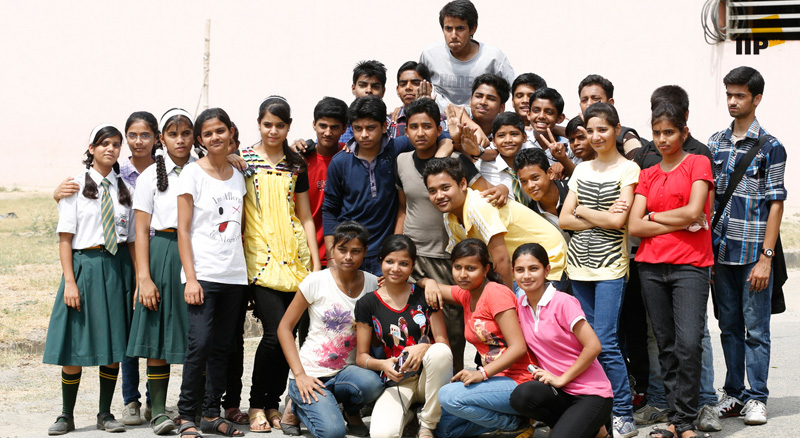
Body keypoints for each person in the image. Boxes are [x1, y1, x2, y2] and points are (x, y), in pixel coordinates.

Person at [395, 98, 506, 372]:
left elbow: (486, 192)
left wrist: (504, 189)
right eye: (413, 127)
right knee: (415, 325)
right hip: (415, 256)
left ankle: (454, 383)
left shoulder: (456, 161)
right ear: (406, 131)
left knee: (454, 330)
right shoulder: (401, 161)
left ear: (438, 129)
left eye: (427, 126)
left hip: (449, 258)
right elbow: (403, 209)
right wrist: (396, 251)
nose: (420, 132)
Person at [631, 86, 719, 433]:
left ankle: (684, 418)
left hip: (690, 265)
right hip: (651, 267)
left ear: (684, 131)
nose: (662, 139)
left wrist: (654, 216)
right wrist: (677, 221)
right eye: (656, 133)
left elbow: (695, 211)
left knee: (689, 344)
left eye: (669, 132)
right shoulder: (648, 173)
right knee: (666, 347)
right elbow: (634, 225)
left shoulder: (698, 162)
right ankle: (676, 420)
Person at [44, 124, 136, 435]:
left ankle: (105, 413)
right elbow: (65, 239)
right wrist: (70, 282)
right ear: (92, 148)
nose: (110, 149)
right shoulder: (74, 186)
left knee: (113, 345)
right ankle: (66, 415)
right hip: (85, 267)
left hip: (118, 268)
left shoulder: (125, 189)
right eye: (104, 143)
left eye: (116, 144)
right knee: (75, 344)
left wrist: (137, 279)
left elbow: (131, 239)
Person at [709, 66, 786, 426]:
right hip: (720, 252)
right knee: (728, 326)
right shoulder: (715, 143)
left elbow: (776, 203)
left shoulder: (771, 147)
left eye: (740, 95)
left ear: (756, 99)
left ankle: (757, 397)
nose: (733, 101)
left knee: (756, 330)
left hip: (754, 252)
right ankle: (734, 393)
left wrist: (767, 258)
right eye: (729, 94)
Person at [558, 102, 640, 437]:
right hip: (578, 267)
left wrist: (583, 211)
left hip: (610, 268)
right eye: (590, 131)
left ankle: (623, 413)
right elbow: (564, 219)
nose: (595, 136)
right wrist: (600, 214)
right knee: (587, 343)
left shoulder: (628, 170)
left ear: (617, 130)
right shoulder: (580, 170)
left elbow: (619, 222)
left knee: (605, 340)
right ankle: (599, 411)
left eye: (602, 129)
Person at [241, 96, 321, 433]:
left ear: (288, 127)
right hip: (260, 258)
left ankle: (273, 403)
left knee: (288, 336)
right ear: (259, 124)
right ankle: (256, 404)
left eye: (280, 125)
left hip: (295, 259)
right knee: (275, 334)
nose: (273, 131)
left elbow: (304, 216)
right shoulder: (243, 161)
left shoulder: (296, 163)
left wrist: (315, 265)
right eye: (267, 124)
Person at [175, 108, 247, 438]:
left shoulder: (238, 173)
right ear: (200, 140)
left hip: (234, 274)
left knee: (222, 347)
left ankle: (210, 414)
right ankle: (185, 414)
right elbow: (183, 229)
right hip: (202, 274)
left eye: (220, 130)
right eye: (207, 133)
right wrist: (190, 278)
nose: (215, 137)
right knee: (200, 344)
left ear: (230, 132)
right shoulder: (191, 173)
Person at [277, 221, 383, 438]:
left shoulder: (373, 285)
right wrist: (299, 374)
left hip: (347, 372)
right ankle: (295, 406)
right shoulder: (316, 281)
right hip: (311, 373)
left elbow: (405, 288)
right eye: (342, 250)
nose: (348, 257)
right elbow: (284, 328)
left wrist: (426, 283)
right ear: (332, 250)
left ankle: (350, 410)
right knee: (333, 433)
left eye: (356, 251)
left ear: (365, 252)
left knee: (373, 384)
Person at [126, 109, 196, 435]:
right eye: (172, 134)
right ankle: (157, 410)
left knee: (196, 332)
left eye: (186, 133)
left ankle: (193, 407)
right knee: (157, 335)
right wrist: (144, 277)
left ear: (194, 136)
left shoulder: (204, 168)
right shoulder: (149, 177)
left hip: (197, 254)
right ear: (161, 139)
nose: (180, 140)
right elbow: (141, 231)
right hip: (162, 254)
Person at [421, 239, 532, 438]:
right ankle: (506, 416)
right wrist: (428, 282)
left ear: (485, 269)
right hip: (494, 382)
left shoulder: (496, 294)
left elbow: (518, 347)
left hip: (519, 381)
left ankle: (514, 423)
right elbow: (434, 287)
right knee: (444, 429)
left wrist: (482, 373)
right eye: (458, 267)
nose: (463, 274)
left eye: (471, 268)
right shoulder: (467, 294)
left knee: (448, 396)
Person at [509, 243, 613, 438]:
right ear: (513, 272)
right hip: (559, 393)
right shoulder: (520, 305)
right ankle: (591, 430)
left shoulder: (563, 302)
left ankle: (596, 428)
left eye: (533, 268)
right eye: (520, 270)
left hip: (591, 393)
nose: (526, 275)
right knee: (521, 397)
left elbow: (594, 346)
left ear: (547, 270)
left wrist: (562, 378)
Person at [355, 235, 452, 438]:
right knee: (382, 435)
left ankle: (427, 424)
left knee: (440, 352)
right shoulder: (367, 303)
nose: (396, 268)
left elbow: (443, 343)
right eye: (390, 261)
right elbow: (361, 356)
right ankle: (409, 415)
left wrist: (424, 347)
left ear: (413, 265)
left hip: (430, 377)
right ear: (381, 261)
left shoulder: (425, 295)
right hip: (398, 380)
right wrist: (383, 365)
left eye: (404, 263)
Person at [423, 157, 567, 289]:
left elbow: (501, 259)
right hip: (518, 270)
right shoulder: (449, 216)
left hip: (549, 264)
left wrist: (507, 302)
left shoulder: (478, 206)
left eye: (445, 188)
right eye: (432, 191)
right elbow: (463, 260)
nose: (439, 196)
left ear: (462, 184)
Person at [322, 96, 413, 276]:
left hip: (385, 256)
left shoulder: (397, 148)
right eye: (358, 128)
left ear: (384, 126)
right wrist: (332, 258)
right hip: (349, 255)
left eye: (370, 128)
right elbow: (330, 210)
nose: (364, 135)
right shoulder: (340, 162)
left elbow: (437, 137)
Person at [419, 0, 515, 113]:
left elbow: (518, 90)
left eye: (460, 28)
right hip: (439, 118)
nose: (453, 35)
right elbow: (413, 86)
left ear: (473, 29)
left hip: (479, 119)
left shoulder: (493, 57)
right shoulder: (431, 54)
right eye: (448, 29)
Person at [513, 148, 571, 244]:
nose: (530, 186)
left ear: (550, 173)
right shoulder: (531, 215)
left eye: (535, 177)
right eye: (524, 181)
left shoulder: (574, 192)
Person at [577, 74, 642, 159]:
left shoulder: (626, 138)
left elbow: (637, 166)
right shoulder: (575, 137)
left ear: (610, 103)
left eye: (595, 98)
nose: (589, 104)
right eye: (584, 100)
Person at [525, 87, 578, 179]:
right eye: (536, 110)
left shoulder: (570, 145)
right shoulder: (522, 142)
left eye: (549, 112)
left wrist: (564, 160)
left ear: (560, 118)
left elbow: (580, 179)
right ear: (528, 114)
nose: (541, 116)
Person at [475, 112, 528, 202]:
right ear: (494, 141)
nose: (508, 140)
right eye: (501, 135)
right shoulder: (482, 166)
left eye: (514, 134)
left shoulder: (532, 164)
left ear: (524, 137)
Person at [339, 60, 388, 144]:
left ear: (383, 91)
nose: (369, 90)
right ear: (353, 89)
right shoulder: (338, 127)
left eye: (375, 86)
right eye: (362, 85)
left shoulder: (393, 125)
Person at [510, 72, 547, 138]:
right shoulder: (502, 127)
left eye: (531, 96)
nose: (525, 101)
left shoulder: (557, 126)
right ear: (513, 101)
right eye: (519, 96)